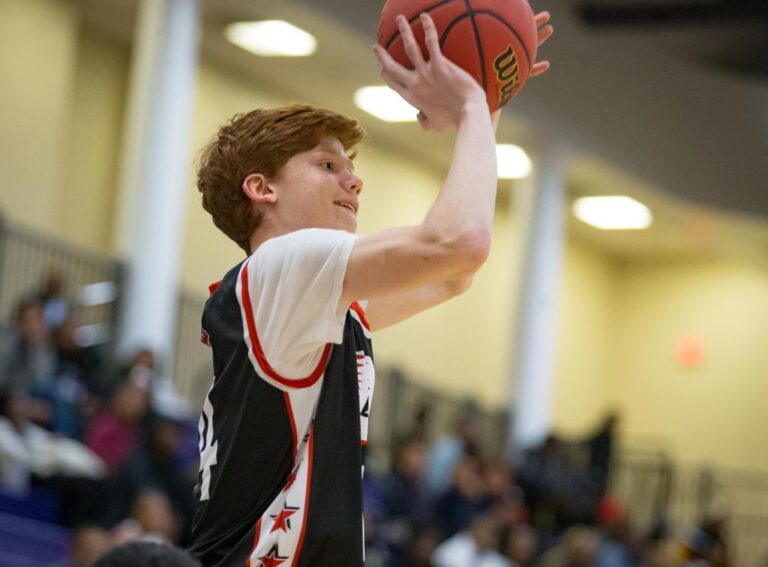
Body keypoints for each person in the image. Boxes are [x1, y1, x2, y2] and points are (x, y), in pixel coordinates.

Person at [186, 11, 553, 567]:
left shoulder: (308, 298)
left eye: (351, 167)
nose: (353, 180)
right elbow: (459, 244)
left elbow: (454, 272)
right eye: (327, 164)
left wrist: (485, 106)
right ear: (261, 189)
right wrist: (473, 108)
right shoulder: (282, 266)